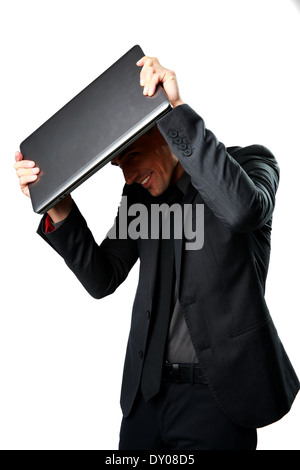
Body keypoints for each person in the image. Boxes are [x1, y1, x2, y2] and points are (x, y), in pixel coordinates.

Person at [15, 56, 299, 450]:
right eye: (119, 165)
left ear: (163, 130)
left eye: (131, 156)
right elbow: (103, 277)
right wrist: (58, 206)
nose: (128, 176)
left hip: (217, 400)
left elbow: (240, 211)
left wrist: (175, 111)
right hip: (145, 400)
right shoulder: (140, 198)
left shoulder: (251, 163)